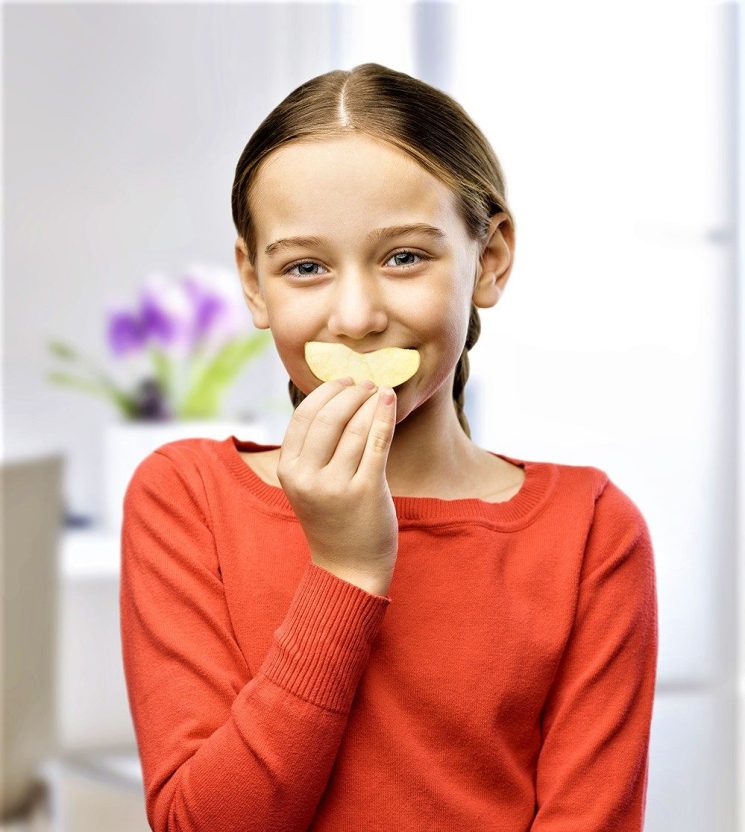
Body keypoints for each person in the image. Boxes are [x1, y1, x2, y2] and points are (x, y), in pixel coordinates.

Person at [120, 62, 659, 831]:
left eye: (403, 256)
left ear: (491, 257)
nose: (355, 316)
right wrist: (345, 568)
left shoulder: (590, 533)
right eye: (305, 268)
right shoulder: (186, 499)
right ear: (252, 283)